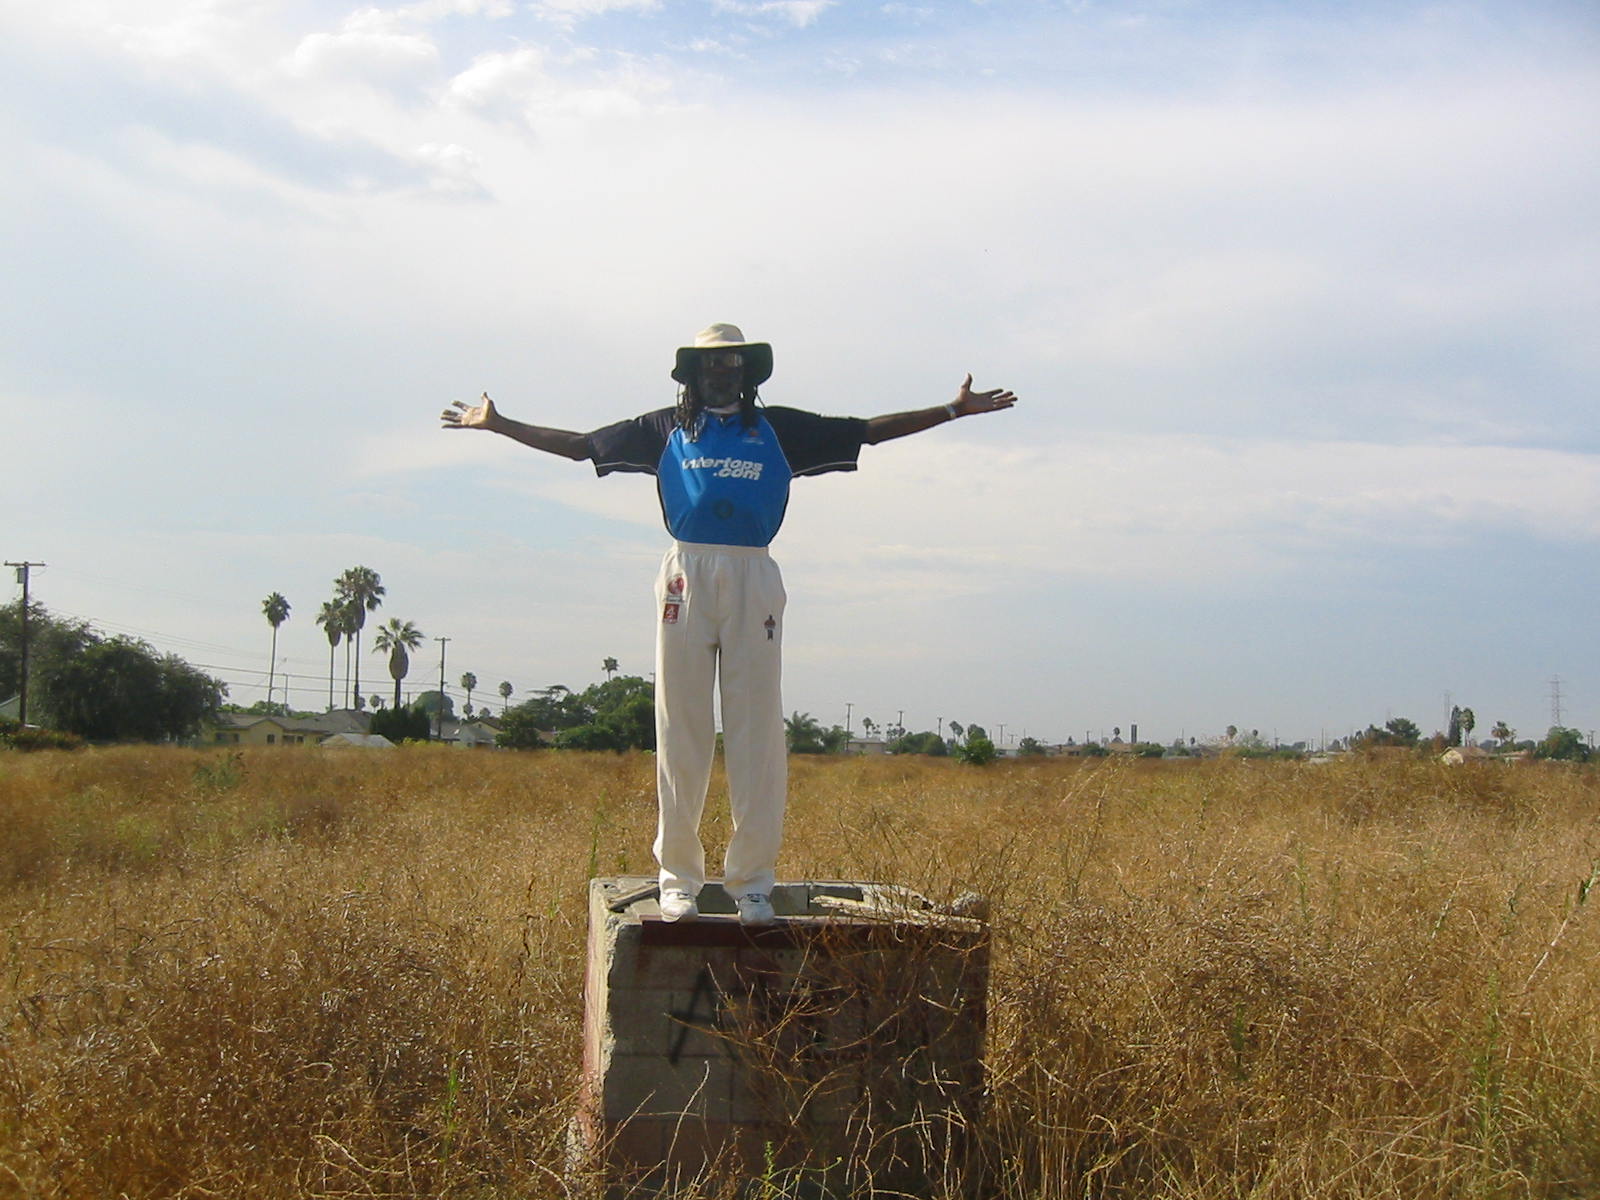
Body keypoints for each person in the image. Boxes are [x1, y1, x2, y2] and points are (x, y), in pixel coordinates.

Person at [441, 324, 1016, 925]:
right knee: (681, 726)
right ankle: (678, 881)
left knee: (756, 731)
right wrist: (501, 424)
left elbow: (867, 432)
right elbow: (583, 444)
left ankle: (752, 883)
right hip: (686, 572)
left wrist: (953, 410)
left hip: (753, 576)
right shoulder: (665, 429)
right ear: (692, 372)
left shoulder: (779, 429)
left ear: (748, 371)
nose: (723, 371)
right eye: (712, 363)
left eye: (733, 362)